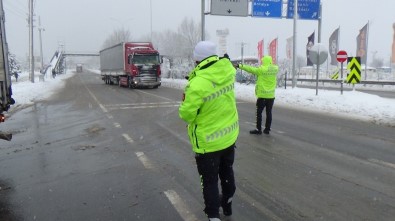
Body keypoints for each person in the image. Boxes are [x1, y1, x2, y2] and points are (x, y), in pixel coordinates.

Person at [179, 41, 239, 221]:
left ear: (197, 60)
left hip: (207, 144)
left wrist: (184, 101)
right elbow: (230, 64)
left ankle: (213, 216)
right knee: (227, 172)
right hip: (228, 137)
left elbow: (187, 115)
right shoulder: (228, 71)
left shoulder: (196, 83)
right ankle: (227, 202)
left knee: (210, 182)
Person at [235, 55, 279, 135]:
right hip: (271, 96)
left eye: (262, 61)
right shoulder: (275, 69)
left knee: (259, 113)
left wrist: (240, 66)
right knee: (269, 113)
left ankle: (258, 129)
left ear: (264, 61)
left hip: (262, 96)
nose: (261, 63)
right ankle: (267, 129)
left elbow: (250, 69)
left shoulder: (261, 70)